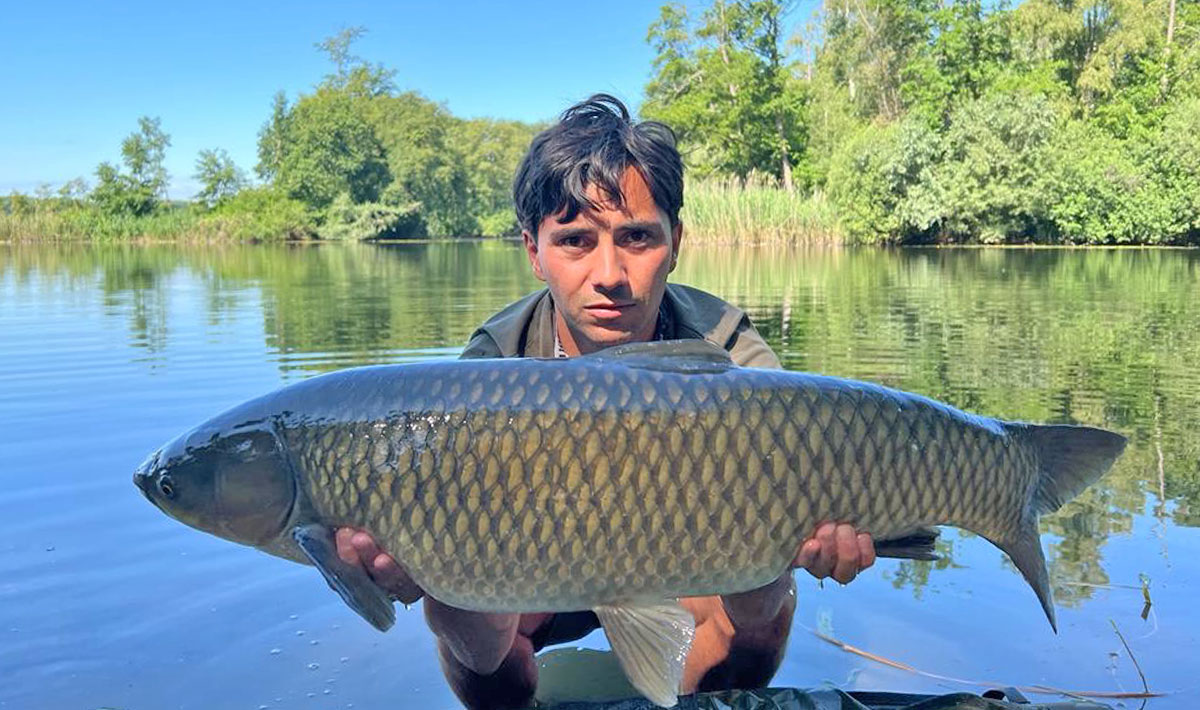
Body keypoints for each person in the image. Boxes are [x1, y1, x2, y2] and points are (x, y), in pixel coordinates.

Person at [336, 94, 875, 709]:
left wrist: (800, 543)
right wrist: (433, 570)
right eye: (575, 241)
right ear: (534, 252)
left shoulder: (728, 350)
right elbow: (479, 646)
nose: (610, 273)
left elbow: (755, 605)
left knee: (764, 614)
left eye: (637, 237)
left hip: (685, 555)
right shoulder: (493, 364)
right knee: (464, 618)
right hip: (539, 563)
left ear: (676, 243)